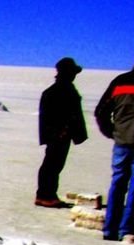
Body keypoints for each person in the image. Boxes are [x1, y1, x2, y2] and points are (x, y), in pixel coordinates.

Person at [95, 40, 134, 241]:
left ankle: (109, 230)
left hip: (122, 141)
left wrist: (113, 132)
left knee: (118, 183)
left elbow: (101, 112)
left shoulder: (120, 81)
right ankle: (126, 229)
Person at [35, 57, 87, 208]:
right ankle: (45, 195)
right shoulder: (60, 90)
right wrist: (60, 132)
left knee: (54, 165)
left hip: (59, 134)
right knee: (52, 165)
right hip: (58, 135)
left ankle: (47, 194)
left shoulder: (61, 89)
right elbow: (54, 115)